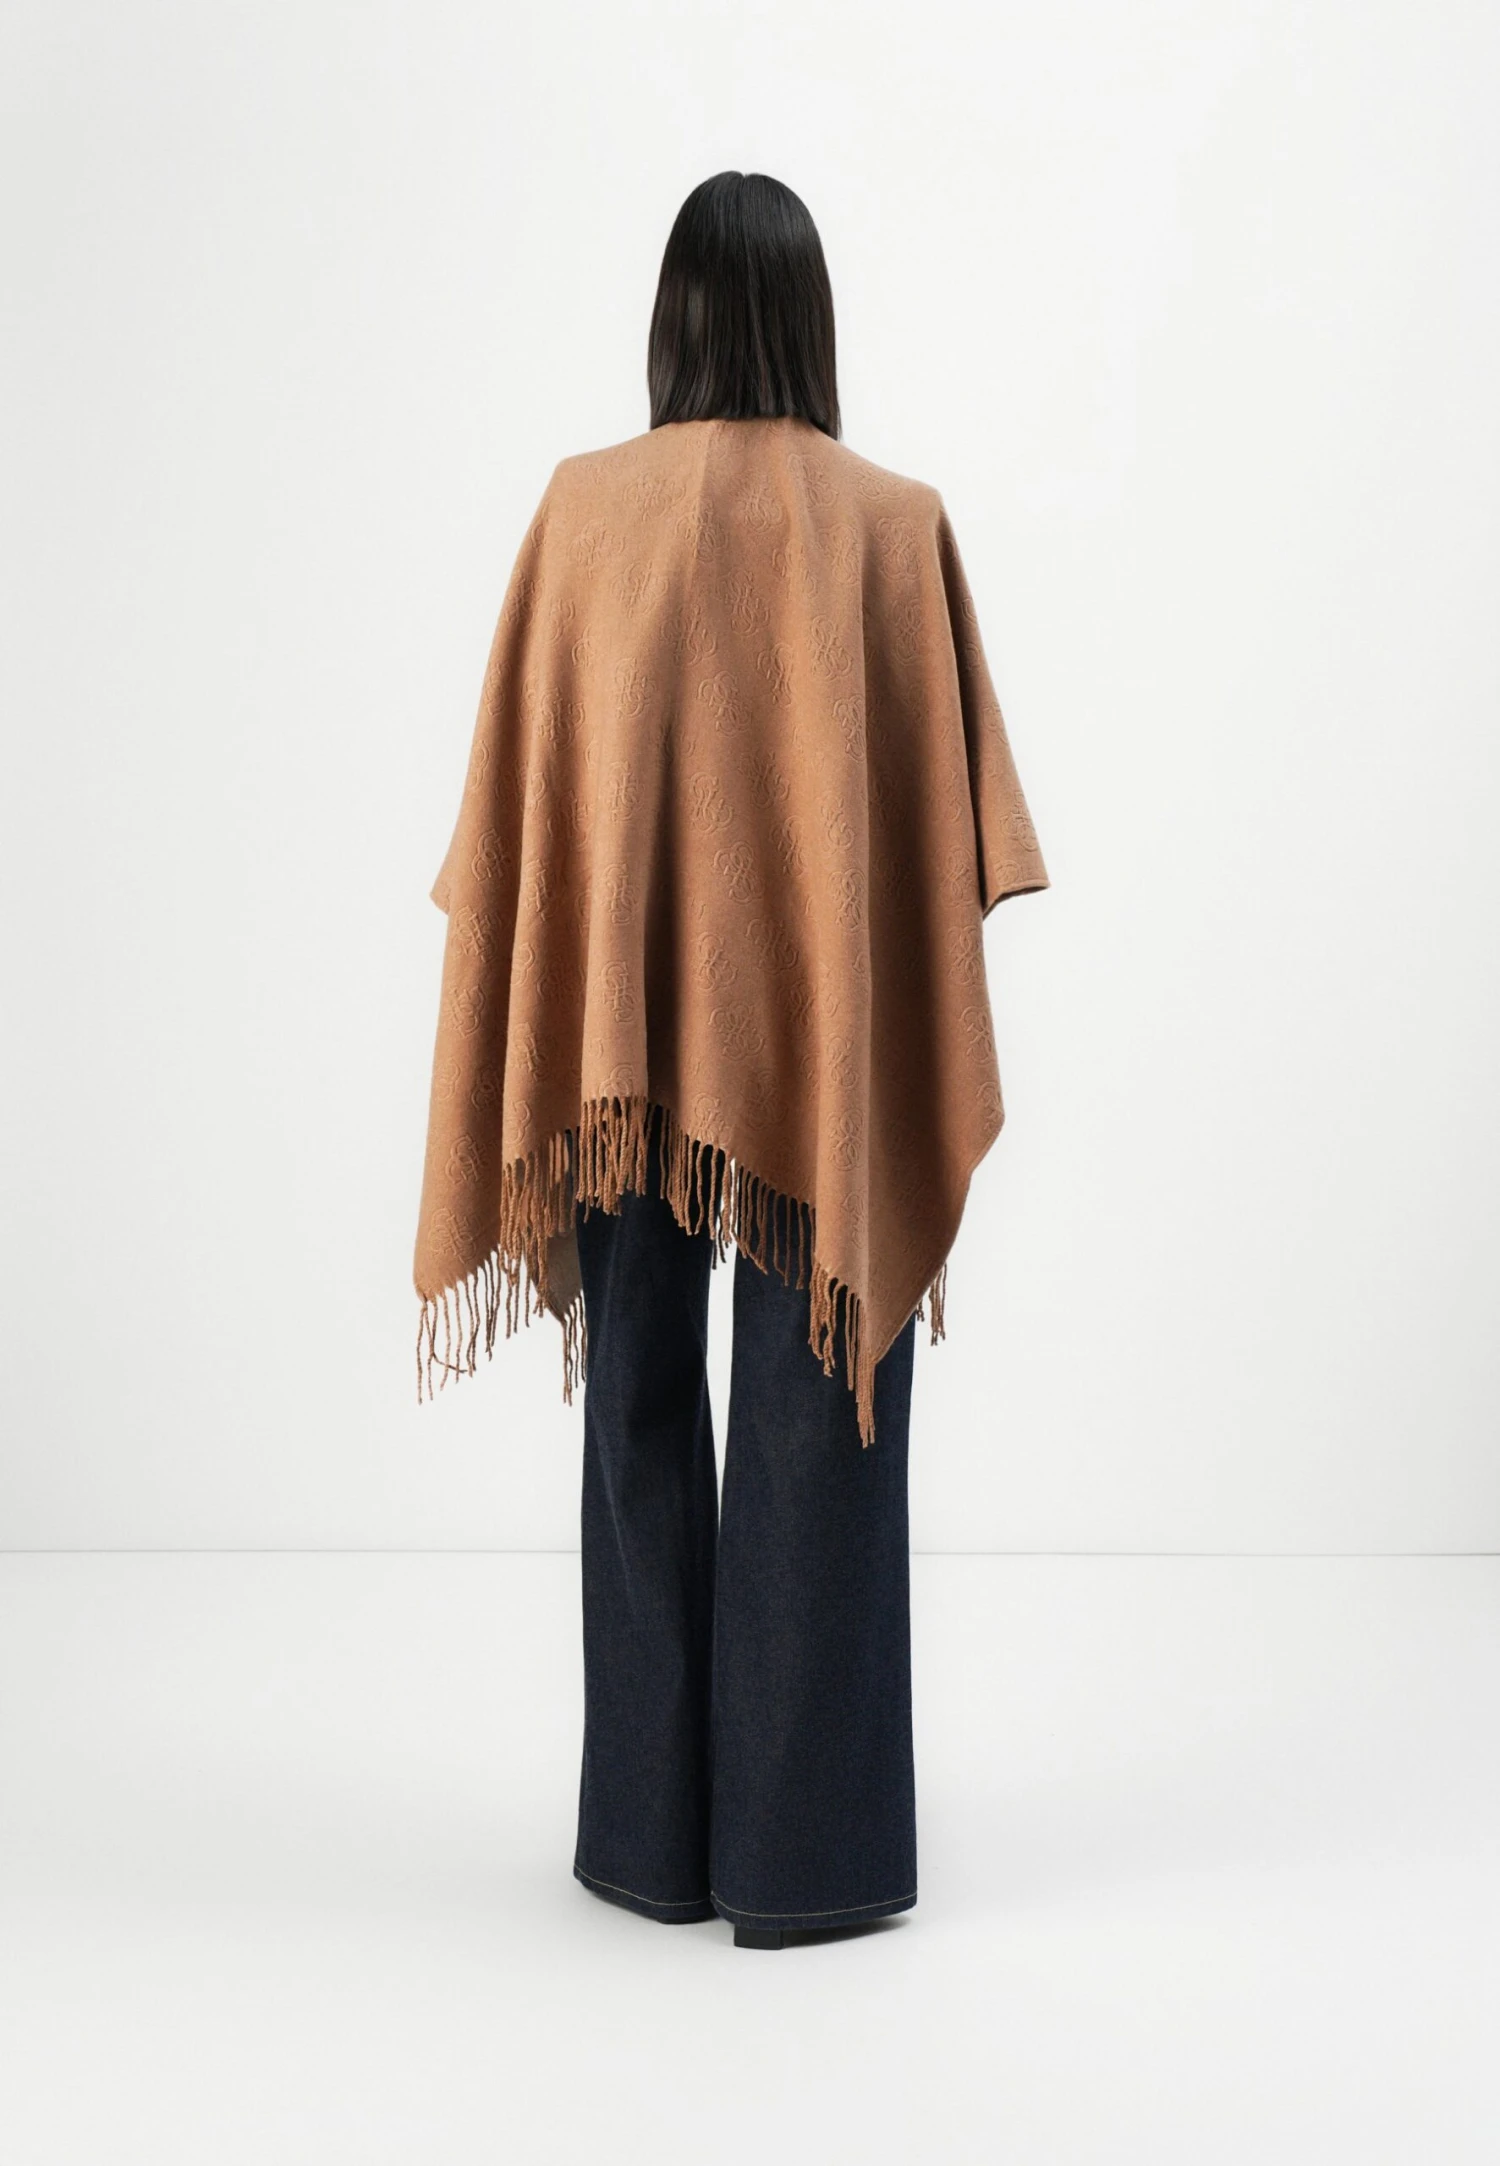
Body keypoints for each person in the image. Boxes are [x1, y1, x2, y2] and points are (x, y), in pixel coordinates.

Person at [412, 171, 1049, 1948]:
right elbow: (940, 851)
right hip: (817, 1060)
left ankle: (647, 1839)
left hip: (619, 1055)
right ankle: (805, 1854)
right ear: (811, 320)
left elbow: (525, 817)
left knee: (632, 1400)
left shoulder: (584, 512)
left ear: (672, 321)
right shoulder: (891, 525)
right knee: (820, 1402)